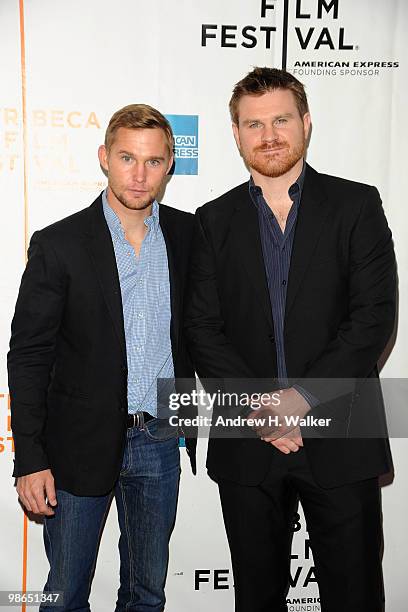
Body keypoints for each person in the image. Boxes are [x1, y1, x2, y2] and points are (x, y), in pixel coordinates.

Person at [185, 67, 396, 612]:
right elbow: (203, 330)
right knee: (256, 599)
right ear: (236, 134)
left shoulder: (356, 206)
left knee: (355, 597)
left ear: (305, 123)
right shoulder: (211, 221)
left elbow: (373, 320)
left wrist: (299, 401)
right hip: (249, 442)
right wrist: (263, 409)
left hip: (341, 434)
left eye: (281, 119)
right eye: (254, 124)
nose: (269, 134)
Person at [8, 103, 196, 612]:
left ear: (169, 165)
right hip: (76, 443)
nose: (140, 174)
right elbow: (28, 355)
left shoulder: (187, 235)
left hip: (159, 437)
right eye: (128, 158)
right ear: (104, 158)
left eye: (154, 161)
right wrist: (30, 458)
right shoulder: (59, 243)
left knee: (147, 593)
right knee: (65, 595)